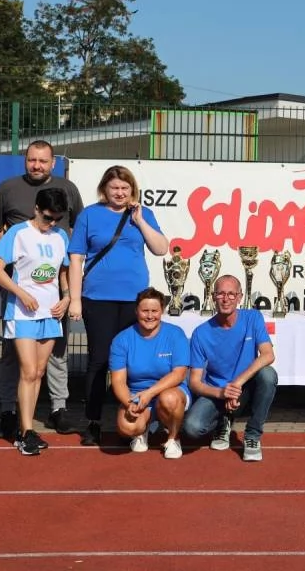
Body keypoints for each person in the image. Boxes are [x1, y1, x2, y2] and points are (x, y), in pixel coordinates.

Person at [0, 140, 86, 442]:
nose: (37, 165)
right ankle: (13, 417)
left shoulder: (65, 199)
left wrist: (68, 296)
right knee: (16, 361)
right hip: (20, 297)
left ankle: (57, 409)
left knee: (49, 361)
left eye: (43, 161)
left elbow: (70, 254)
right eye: (32, 160)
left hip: (52, 302)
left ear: (53, 162)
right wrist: (19, 286)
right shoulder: (9, 195)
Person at [67, 165, 169, 446]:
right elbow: (76, 258)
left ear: (132, 190)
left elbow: (161, 248)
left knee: (132, 362)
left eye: (125, 188)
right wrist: (75, 299)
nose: (120, 193)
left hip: (134, 300)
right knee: (99, 361)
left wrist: (140, 220)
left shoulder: (142, 214)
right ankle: (93, 421)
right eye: (114, 188)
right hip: (97, 299)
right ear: (104, 189)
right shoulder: (89, 214)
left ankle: (135, 419)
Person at [0, 188, 71, 456]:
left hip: (50, 313)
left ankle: (29, 429)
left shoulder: (60, 236)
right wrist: (21, 293)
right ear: (36, 208)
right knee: (27, 370)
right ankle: (25, 431)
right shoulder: (18, 233)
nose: (52, 224)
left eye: (57, 219)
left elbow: (63, 273)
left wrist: (67, 297)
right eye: (48, 217)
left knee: (38, 372)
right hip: (22, 313)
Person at [183, 275, 278, 462]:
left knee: (268, 375)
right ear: (213, 296)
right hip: (217, 392)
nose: (226, 299)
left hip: (244, 389)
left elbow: (268, 355)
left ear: (240, 296)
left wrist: (236, 384)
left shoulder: (253, 317)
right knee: (192, 428)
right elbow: (194, 382)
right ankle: (222, 421)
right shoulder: (201, 333)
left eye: (231, 294)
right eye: (221, 294)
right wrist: (221, 393)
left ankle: (252, 436)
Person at [110, 288, 191, 460]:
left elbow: (179, 374)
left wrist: (149, 393)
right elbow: (118, 381)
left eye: (154, 311)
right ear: (136, 311)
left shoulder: (175, 334)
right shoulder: (121, 340)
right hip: (137, 396)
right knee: (127, 427)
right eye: (145, 311)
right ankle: (143, 429)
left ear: (162, 311)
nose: (149, 316)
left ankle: (173, 438)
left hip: (170, 391)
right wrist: (129, 403)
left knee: (169, 399)